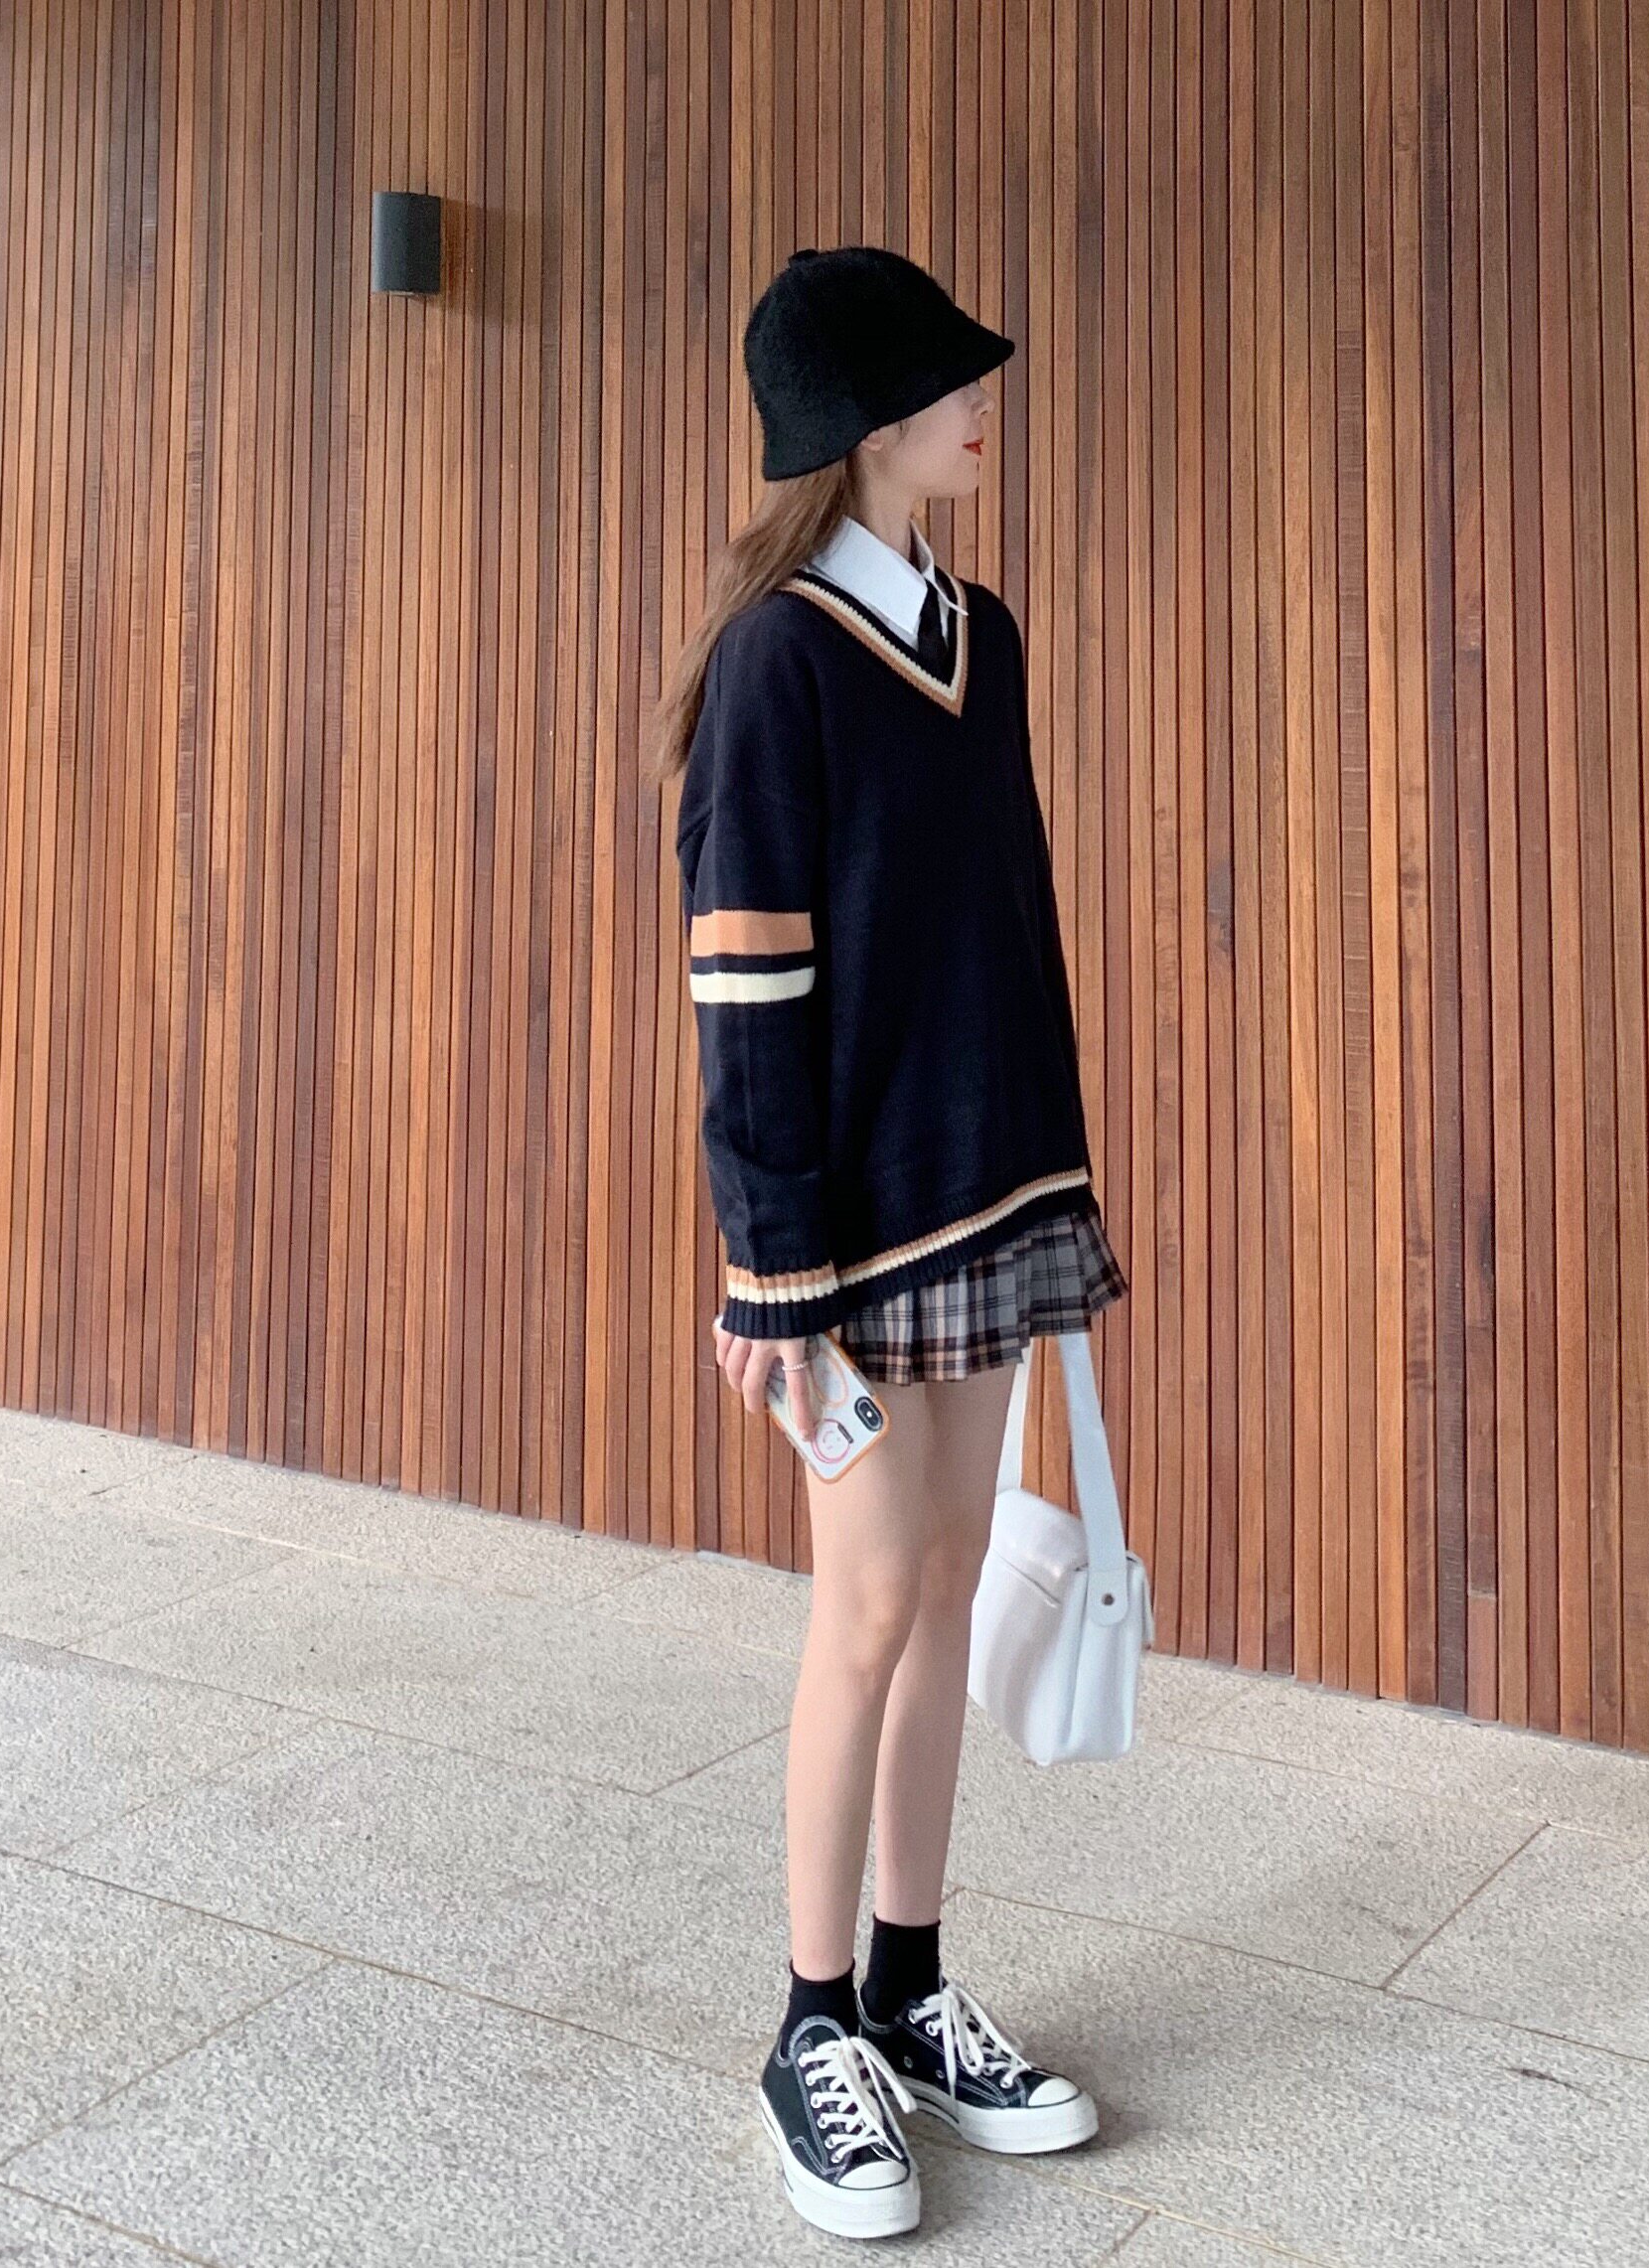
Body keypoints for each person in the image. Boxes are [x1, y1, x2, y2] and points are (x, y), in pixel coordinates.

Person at [645, 242, 1129, 2241]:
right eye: (943, 384)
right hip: (844, 1237)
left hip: (987, 1189)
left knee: (940, 1590)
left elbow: (1006, 929)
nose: (978, 403)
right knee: (860, 1611)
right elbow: (746, 976)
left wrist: (1056, 1176)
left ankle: (915, 1988)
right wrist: (771, 1266)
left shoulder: (977, 633)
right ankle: (811, 2020)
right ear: (861, 425)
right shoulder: (777, 661)